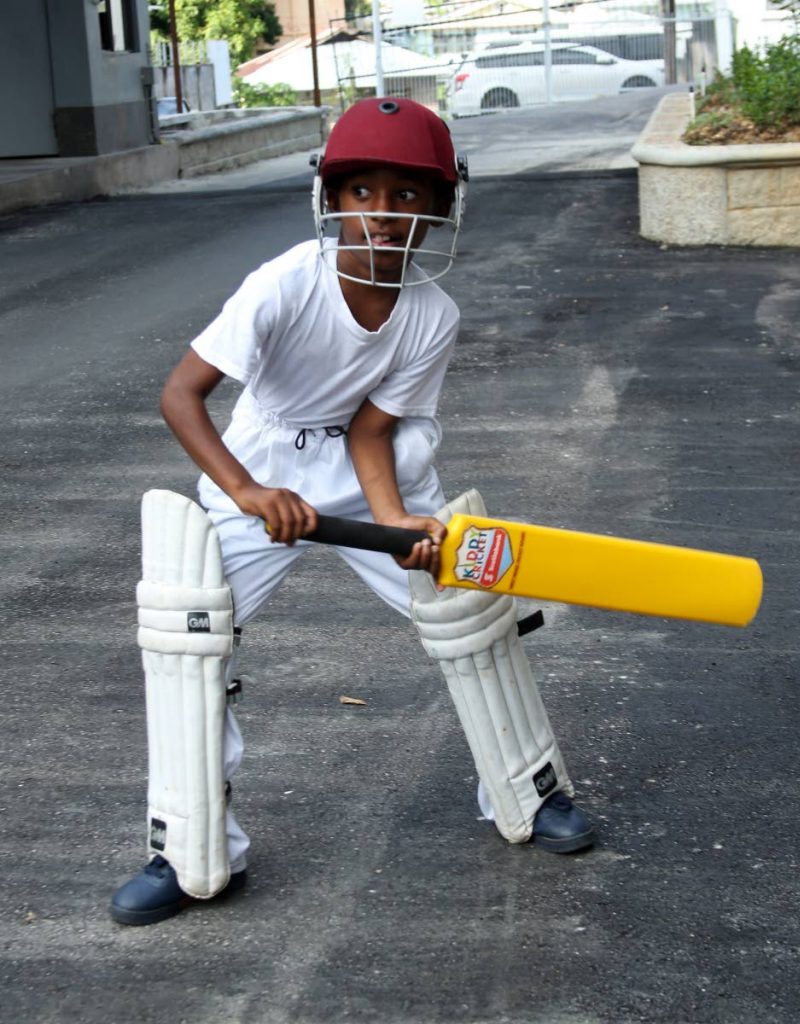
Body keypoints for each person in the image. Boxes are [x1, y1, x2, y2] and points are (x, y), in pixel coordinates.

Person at [110, 98, 594, 927]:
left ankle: (528, 793)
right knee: (187, 631)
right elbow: (181, 395)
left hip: (372, 470)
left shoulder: (431, 315)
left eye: (407, 196)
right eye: (361, 191)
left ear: (442, 208)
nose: (381, 213)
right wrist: (247, 494)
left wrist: (394, 518)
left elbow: (372, 429)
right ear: (330, 198)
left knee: (470, 611)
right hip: (257, 470)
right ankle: (185, 849)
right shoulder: (285, 282)